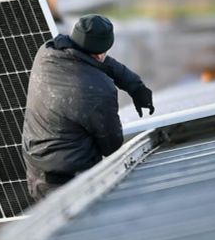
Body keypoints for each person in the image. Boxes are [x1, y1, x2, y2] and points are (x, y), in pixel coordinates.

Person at [22, 14, 154, 201]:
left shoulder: (47, 53)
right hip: (71, 183)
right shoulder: (98, 89)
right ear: (102, 52)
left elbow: (93, 60)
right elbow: (111, 145)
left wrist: (134, 85)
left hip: (36, 170)